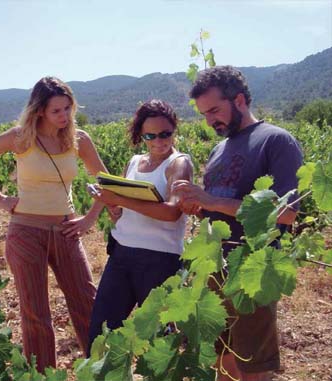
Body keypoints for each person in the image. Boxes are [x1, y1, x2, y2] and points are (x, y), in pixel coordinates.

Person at [0, 76, 107, 372]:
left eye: (68, 109)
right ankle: (42, 377)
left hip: (66, 231)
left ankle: (102, 372)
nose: (64, 116)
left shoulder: (80, 139)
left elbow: (106, 183)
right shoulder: (21, 137)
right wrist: (1, 199)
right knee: (36, 314)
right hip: (26, 232)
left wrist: (89, 219)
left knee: (88, 304)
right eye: (57, 111)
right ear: (40, 110)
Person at [173, 66, 303, 381]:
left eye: (215, 110)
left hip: (252, 267)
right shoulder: (220, 149)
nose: (210, 120)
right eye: (204, 114)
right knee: (223, 357)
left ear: (240, 100)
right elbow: (217, 207)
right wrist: (198, 207)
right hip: (216, 265)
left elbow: (286, 212)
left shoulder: (276, 141)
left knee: (254, 365)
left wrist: (211, 201)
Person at [86, 99, 193, 352]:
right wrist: (112, 206)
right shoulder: (134, 162)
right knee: (101, 333)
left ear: (174, 130)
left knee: (160, 341)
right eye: (150, 135)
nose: (159, 141)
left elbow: (172, 213)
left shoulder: (178, 164)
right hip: (122, 254)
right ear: (141, 135)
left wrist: (120, 199)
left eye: (165, 134)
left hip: (160, 261)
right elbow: (122, 213)